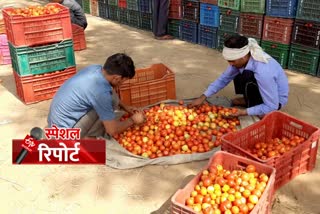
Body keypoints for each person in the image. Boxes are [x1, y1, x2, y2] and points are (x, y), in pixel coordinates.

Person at [47, 53, 146, 138]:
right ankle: (88, 138)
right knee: (107, 104)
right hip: (65, 134)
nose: (122, 83)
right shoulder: (101, 94)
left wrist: (126, 107)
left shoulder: (96, 69)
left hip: (55, 122)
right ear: (117, 78)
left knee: (111, 99)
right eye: (123, 81)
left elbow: (109, 94)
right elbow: (112, 131)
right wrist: (132, 120)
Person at [189, 35, 289, 117]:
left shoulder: (263, 72)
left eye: (232, 61)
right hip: (264, 86)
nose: (230, 64)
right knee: (236, 71)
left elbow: (272, 106)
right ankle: (248, 101)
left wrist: (244, 112)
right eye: (229, 61)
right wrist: (202, 97)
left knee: (246, 75)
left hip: (276, 101)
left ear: (244, 56)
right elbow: (224, 78)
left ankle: (255, 106)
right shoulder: (244, 58)